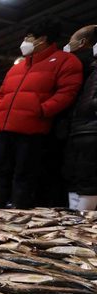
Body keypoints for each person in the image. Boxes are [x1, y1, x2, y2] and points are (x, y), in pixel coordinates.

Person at [0, 18, 83, 209]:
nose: (25, 41)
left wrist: (42, 110)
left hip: (32, 128)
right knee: (1, 168)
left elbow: (67, 92)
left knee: (25, 170)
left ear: (43, 39)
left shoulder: (66, 61)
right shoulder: (18, 66)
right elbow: (2, 93)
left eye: (29, 37)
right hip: (5, 126)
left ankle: (20, 207)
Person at [63, 25, 97, 210]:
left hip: (90, 128)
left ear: (83, 42)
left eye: (71, 42)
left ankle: (83, 226)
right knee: (75, 176)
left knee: (88, 178)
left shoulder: (84, 66)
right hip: (80, 128)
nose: (68, 47)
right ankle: (74, 220)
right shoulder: (88, 67)